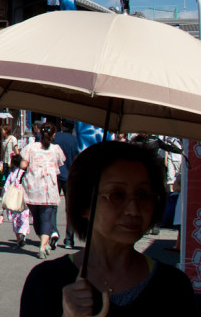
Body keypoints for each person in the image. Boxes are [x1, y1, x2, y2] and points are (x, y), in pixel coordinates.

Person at [19, 141, 196, 316]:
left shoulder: (173, 286)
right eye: (117, 195)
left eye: (143, 195)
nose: (133, 210)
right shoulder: (46, 281)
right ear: (84, 205)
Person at [21, 121, 66, 260]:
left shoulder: (31, 147)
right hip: (48, 188)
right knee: (46, 218)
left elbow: (23, 165)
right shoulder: (56, 149)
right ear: (53, 135)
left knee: (36, 218)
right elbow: (61, 162)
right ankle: (42, 246)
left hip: (32, 186)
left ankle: (43, 241)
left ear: (39, 132)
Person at [53, 120, 80, 249]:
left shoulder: (55, 137)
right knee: (70, 209)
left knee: (52, 206)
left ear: (62, 124)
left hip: (54, 175)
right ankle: (69, 239)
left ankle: (52, 233)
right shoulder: (75, 141)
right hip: (69, 176)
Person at [0, 153, 32, 248]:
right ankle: (24, 234)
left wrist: (3, 197)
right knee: (24, 218)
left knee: (15, 220)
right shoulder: (25, 173)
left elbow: (6, 187)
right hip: (23, 199)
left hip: (13, 199)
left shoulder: (12, 174)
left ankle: (18, 239)